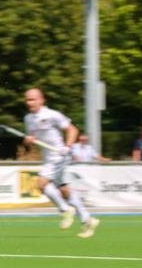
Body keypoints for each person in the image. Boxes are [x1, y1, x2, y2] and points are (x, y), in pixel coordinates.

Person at [23, 88, 99, 238]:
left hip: (58, 156)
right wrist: (29, 140)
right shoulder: (28, 119)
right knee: (64, 191)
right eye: (27, 100)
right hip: (48, 158)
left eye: (32, 99)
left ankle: (65, 210)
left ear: (41, 100)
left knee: (40, 183)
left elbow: (72, 130)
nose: (29, 103)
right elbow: (33, 139)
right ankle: (87, 220)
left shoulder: (52, 115)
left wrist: (68, 146)